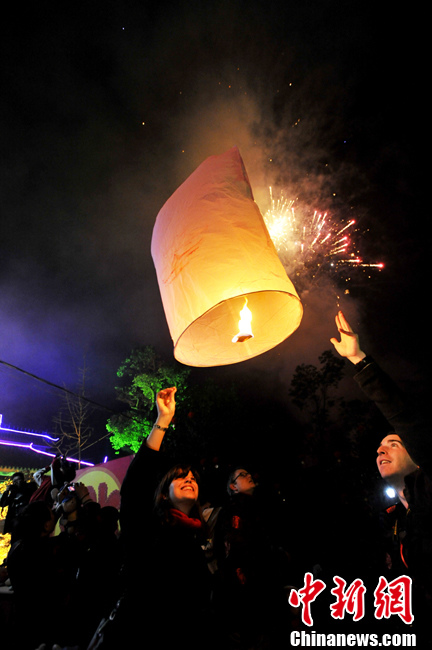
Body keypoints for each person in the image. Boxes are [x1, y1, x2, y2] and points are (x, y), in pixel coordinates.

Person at [330, 310, 431, 634]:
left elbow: (406, 418)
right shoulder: (396, 518)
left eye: (393, 443)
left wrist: (358, 358)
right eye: (378, 446)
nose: (380, 450)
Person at [113, 386, 218, 647]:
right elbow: (135, 485)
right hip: (147, 633)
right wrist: (163, 421)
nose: (190, 479)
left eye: (193, 478)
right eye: (181, 477)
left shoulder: (200, 535)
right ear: (163, 494)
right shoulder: (149, 528)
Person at [212, 464, 296, 648]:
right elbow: (234, 549)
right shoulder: (236, 508)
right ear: (233, 486)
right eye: (242, 475)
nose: (248, 475)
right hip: (251, 596)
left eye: (248, 473)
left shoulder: (253, 507)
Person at [0, 471, 36, 540]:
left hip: (27, 521)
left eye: (18, 480)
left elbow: (29, 492)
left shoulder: (30, 487)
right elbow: (2, 504)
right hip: (15, 523)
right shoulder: (13, 493)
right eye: (15, 481)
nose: (17, 483)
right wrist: (6, 492)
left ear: (23, 480)